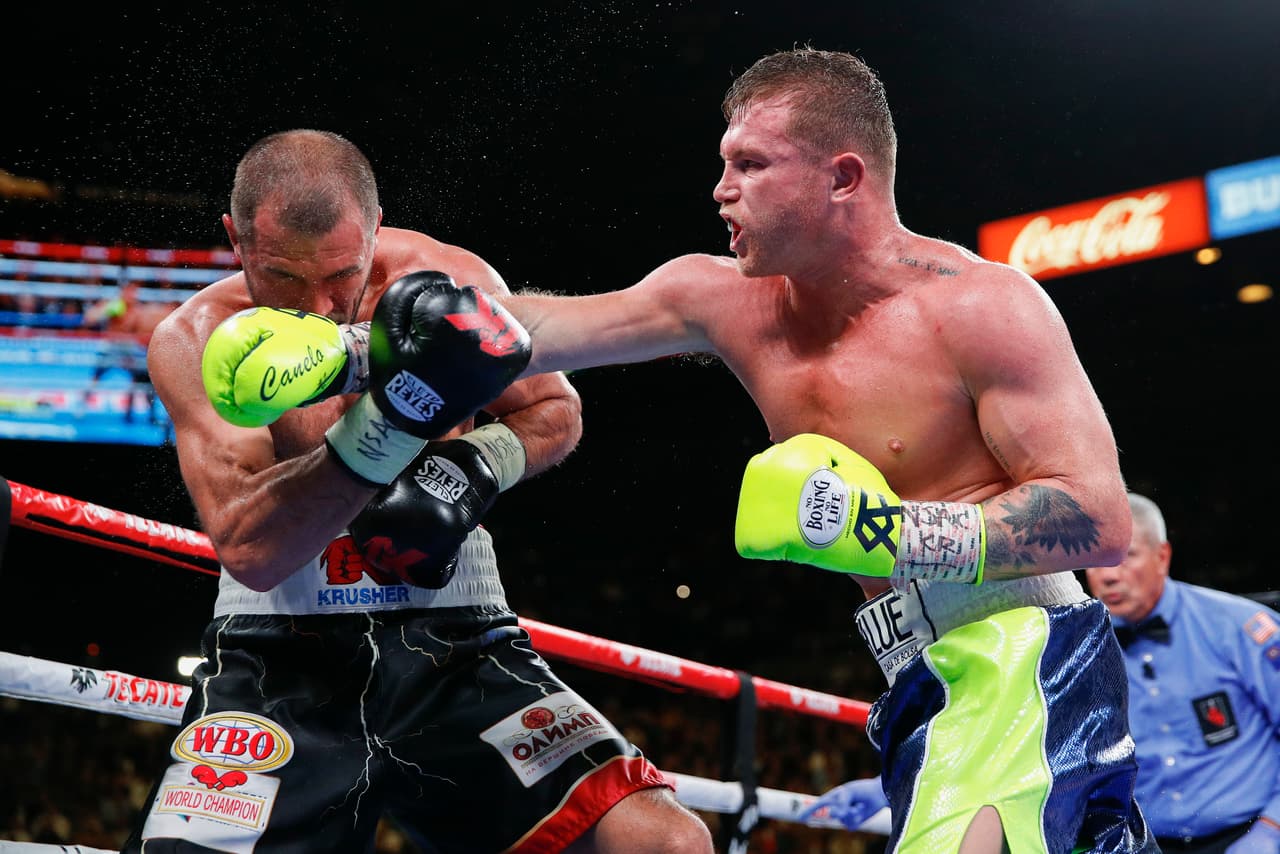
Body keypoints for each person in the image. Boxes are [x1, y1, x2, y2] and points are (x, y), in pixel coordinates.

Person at [493, 48, 1153, 853]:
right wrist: (364, 336)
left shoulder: (980, 305)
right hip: (915, 678)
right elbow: (534, 331)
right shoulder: (723, 298)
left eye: (751, 164)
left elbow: (1099, 516)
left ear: (843, 178)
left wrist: (888, 531)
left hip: (1025, 656)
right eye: (723, 163)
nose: (721, 188)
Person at [121, 129, 713, 854]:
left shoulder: (447, 280)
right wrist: (395, 420)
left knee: (662, 844)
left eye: (341, 274)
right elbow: (251, 545)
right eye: (281, 277)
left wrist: (477, 461)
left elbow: (557, 411)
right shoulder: (199, 338)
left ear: (375, 231)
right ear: (234, 241)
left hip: (457, 637)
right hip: (278, 654)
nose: (318, 305)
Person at [1085, 492, 1280, 854]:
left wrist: (1272, 830)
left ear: (1162, 557)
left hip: (1254, 834)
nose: (1109, 576)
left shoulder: (1240, 628)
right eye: (1097, 561)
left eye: (1125, 557)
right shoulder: (1083, 654)